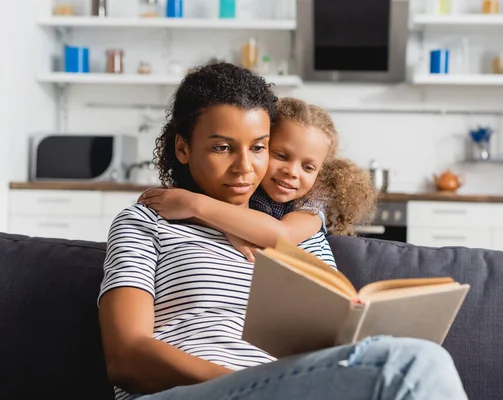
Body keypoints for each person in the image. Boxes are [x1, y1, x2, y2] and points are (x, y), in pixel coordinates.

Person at [98, 62, 468, 400]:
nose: (244, 167)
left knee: (418, 361)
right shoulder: (146, 223)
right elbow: (126, 357)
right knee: (414, 364)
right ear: (182, 147)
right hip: (203, 391)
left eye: (258, 147)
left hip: (292, 388)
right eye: (222, 148)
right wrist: (247, 384)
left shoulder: (295, 233)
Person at [138, 97, 376, 263]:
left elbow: (282, 235)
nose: (292, 172)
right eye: (281, 156)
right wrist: (228, 228)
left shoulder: (314, 201)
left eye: (308, 166)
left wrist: (195, 206)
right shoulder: (241, 186)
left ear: (320, 172)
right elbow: (167, 202)